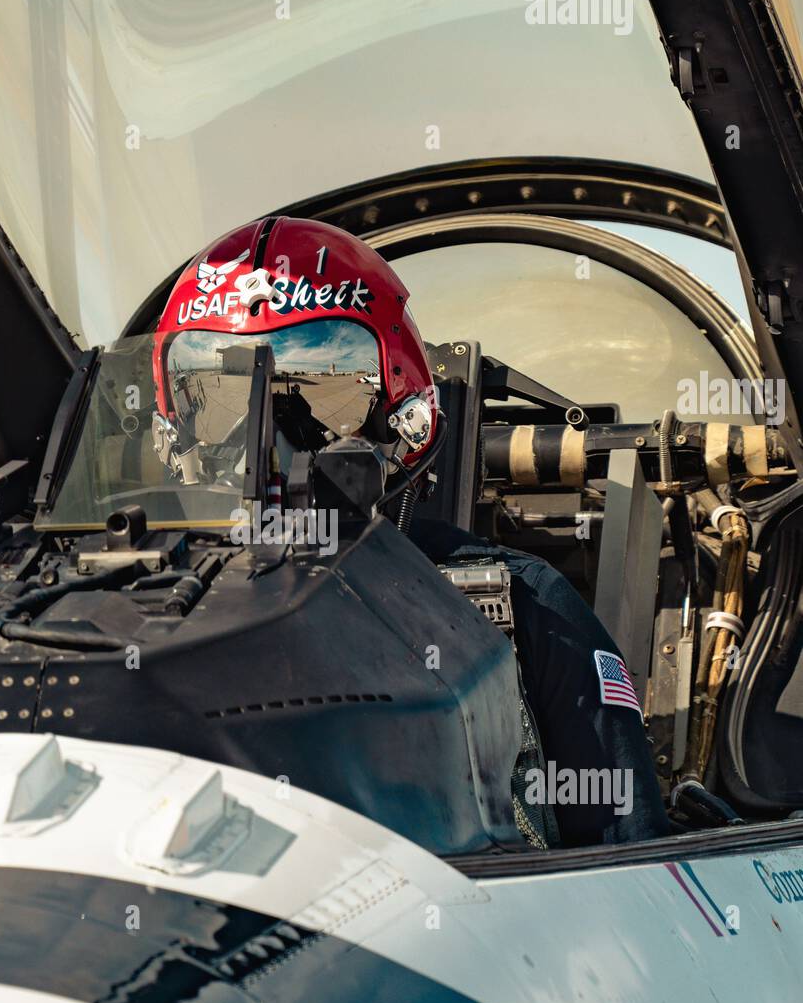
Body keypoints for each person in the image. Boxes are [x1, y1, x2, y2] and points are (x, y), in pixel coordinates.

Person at [154, 215, 669, 847]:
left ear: (408, 417)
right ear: (172, 424)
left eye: (317, 393)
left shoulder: (525, 611)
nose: (269, 442)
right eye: (224, 392)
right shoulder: (116, 609)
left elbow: (634, 872)